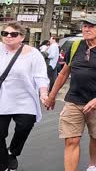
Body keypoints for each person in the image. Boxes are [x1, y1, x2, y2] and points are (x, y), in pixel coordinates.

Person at [45, 15, 96, 171]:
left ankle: (92, 164)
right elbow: (63, 73)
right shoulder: (74, 47)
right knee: (71, 140)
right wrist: (52, 96)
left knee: (95, 135)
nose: (87, 29)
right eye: (85, 26)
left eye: (92, 26)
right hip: (74, 100)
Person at [0, 22, 49, 171]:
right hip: (2, 98)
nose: (8, 36)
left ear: (22, 37)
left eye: (13, 34)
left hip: (25, 99)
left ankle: (12, 152)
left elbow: (41, 76)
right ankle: (3, 163)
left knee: (25, 126)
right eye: (5, 33)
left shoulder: (33, 53)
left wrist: (43, 93)